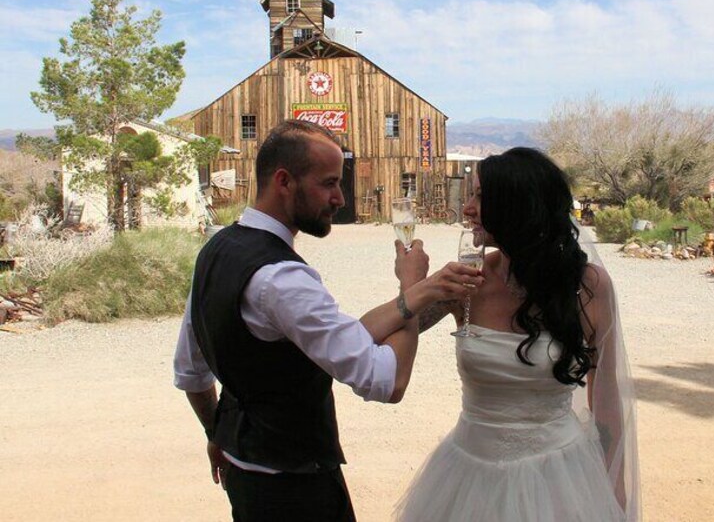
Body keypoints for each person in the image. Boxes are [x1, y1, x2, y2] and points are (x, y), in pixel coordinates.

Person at [173, 120, 482, 522]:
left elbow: (191, 370)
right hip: (296, 489)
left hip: (245, 475)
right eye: (329, 183)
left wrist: (217, 432)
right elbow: (387, 380)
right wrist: (412, 285)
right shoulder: (282, 279)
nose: (340, 197)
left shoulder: (217, 248)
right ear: (284, 181)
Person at [395, 147, 640, 521]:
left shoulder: (587, 286)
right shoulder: (465, 280)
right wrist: (412, 284)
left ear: (518, 207)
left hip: (559, 479)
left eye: (480, 196)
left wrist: (614, 487)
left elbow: (604, 393)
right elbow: (385, 338)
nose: (468, 208)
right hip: (469, 479)